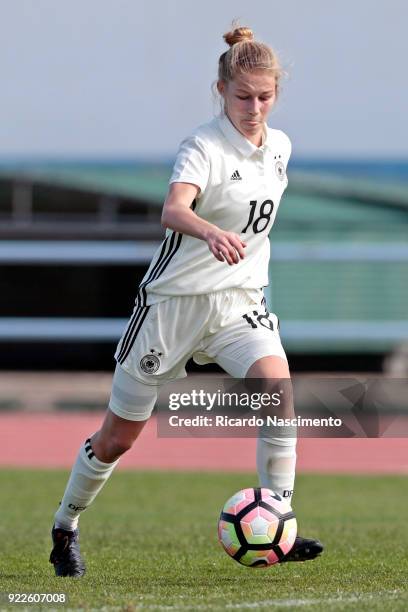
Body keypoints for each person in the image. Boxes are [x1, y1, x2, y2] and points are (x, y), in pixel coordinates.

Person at [49, 24, 323, 577]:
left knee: (278, 391)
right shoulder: (203, 145)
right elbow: (173, 209)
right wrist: (208, 232)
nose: (254, 107)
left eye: (264, 96)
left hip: (236, 302)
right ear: (220, 90)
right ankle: (65, 525)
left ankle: (279, 519)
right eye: (242, 95)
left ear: (277, 94)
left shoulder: (282, 147)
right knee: (117, 438)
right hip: (170, 309)